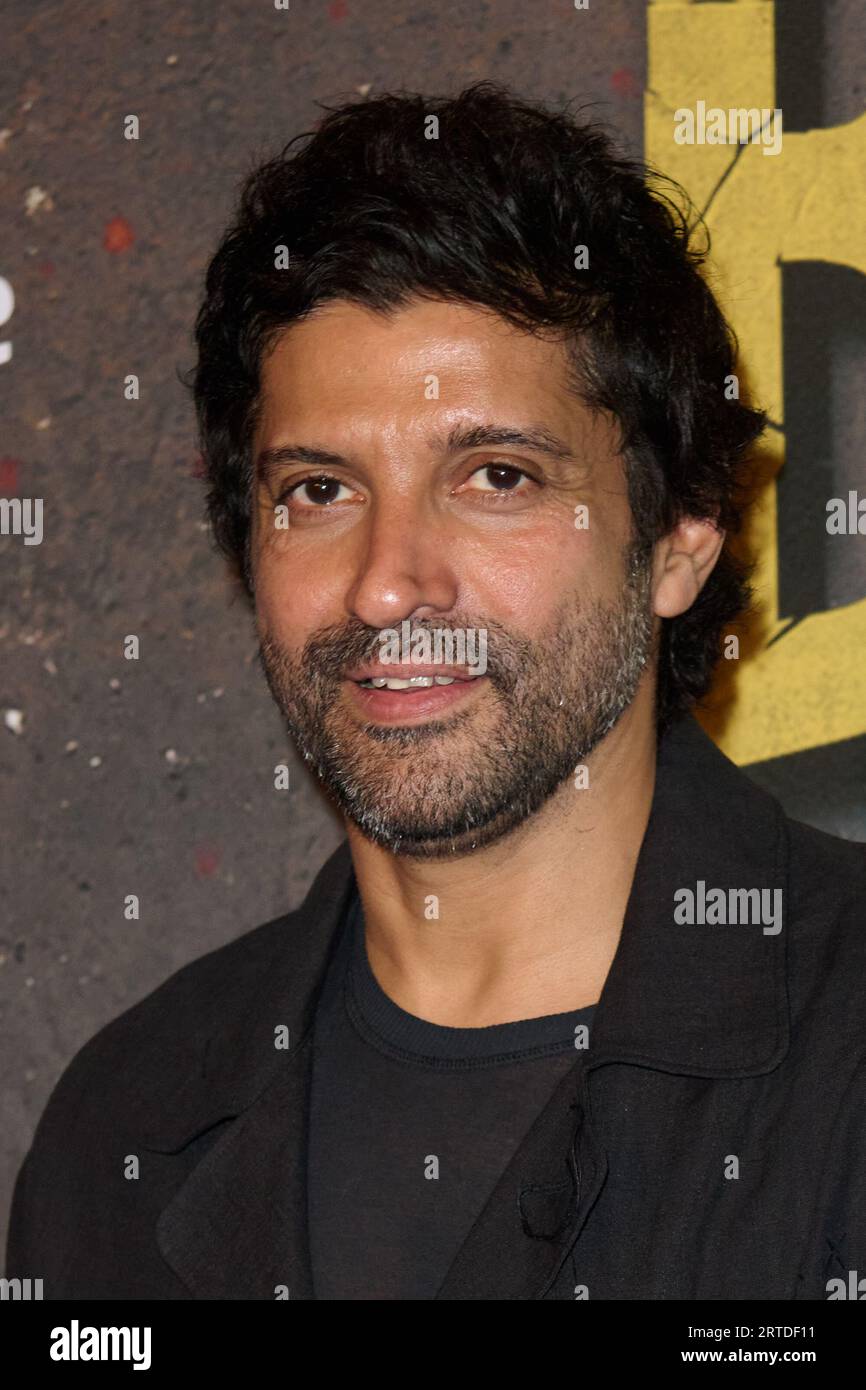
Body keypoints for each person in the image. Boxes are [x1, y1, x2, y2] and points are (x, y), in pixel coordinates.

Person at [7, 83, 866, 1301]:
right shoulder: (127, 1129)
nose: (384, 585)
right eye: (318, 490)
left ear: (677, 536)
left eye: (495, 474)